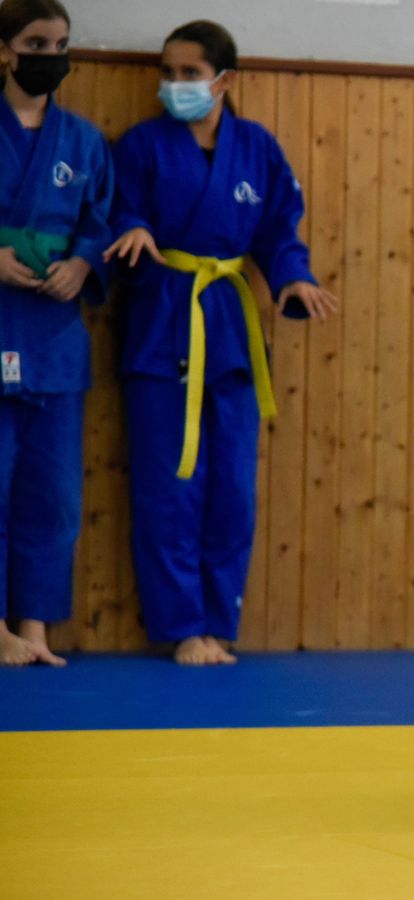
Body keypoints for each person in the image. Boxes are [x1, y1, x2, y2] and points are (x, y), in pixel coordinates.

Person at [104, 20, 338, 665]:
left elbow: (279, 232)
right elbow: (119, 208)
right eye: (169, 73)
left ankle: (219, 622)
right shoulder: (142, 146)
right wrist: (131, 231)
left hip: (231, 330)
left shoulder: (257, 148)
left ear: (223, 80)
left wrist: (293, 280)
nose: (175, 85)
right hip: (161, 324)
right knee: (168, 486)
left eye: (189, 74)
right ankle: (183, 628)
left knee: (232, 487)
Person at [0, 0, 111, 667]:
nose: (52, 54)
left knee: (54, 492)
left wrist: (82, 262)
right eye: (37, 41)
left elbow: (99, 221)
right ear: (6, 51)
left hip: (53, 335)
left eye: (62, 42)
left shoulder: (83, 140)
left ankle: (34, 628)